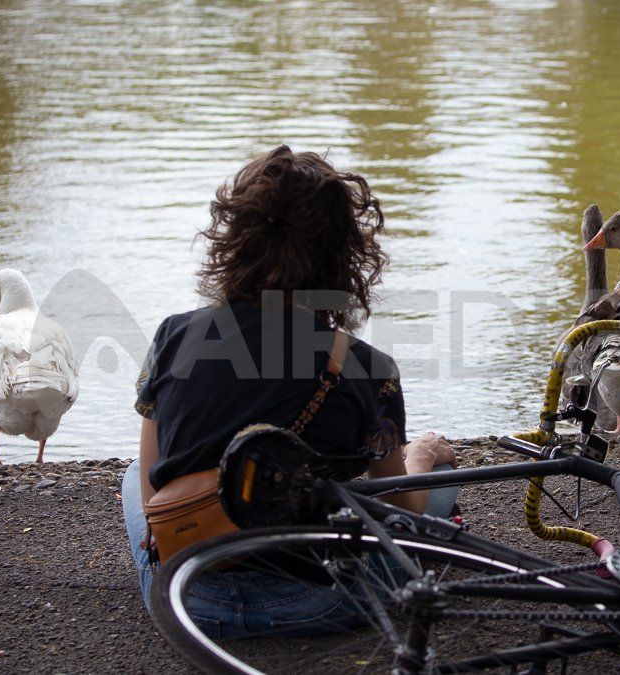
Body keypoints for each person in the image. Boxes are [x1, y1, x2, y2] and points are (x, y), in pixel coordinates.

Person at [121, 145, 459, 636]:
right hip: (323, 601)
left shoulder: (175, 335)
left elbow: (155, 494)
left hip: (190, 602)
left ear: (235, 238)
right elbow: (400, 507)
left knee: (134, 474)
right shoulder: (368, 367)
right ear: (344, 253)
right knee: (438, 473)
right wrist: (423, 455)